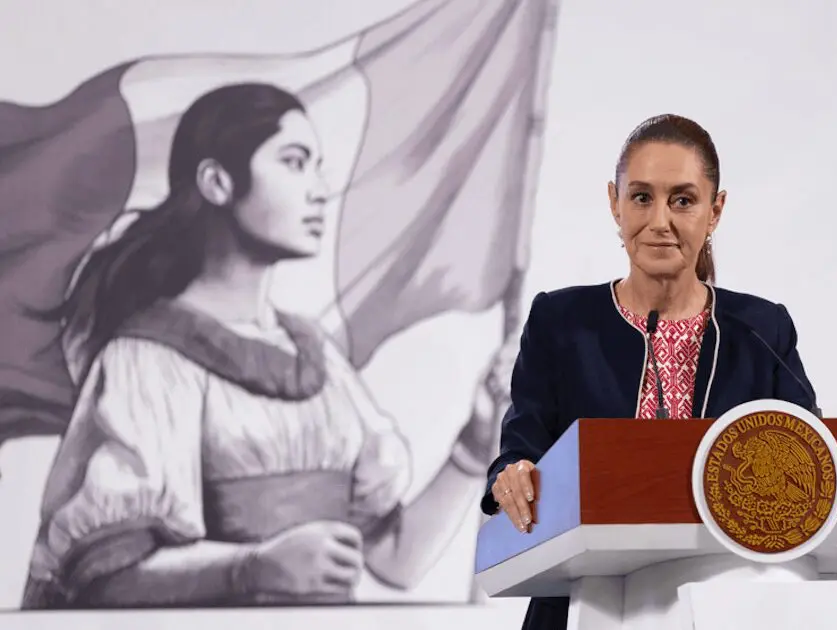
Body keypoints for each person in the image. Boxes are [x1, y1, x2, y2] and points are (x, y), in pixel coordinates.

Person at [20, 82, 504, 608]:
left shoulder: (314, 356)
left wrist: (474, 447)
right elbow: (106, 581)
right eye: (294, 163)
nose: (319, 189)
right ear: (217, 182)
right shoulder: (148, 359)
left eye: (317, 165)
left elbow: (396, 559)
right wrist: (252, 568)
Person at [480, 114, 819, 630]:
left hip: (723, 607)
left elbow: (811, 461)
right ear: (614, 203)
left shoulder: (761, 331)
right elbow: (521, 446)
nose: (660, 219)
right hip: (578, 605)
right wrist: (512, 476)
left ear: (716, 210)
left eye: (682, 199)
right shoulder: (562, 322)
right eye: (641, 197)